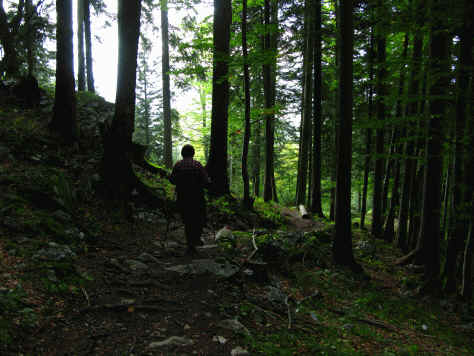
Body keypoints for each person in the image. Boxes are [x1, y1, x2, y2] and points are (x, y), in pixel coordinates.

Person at [169, 144, 210, 255]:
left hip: (183, 198)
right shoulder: (198, 165)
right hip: (198, 198)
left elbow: (172, 180)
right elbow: (206, 182)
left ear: (182, 153)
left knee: (187, 221)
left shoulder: (178, 165)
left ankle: (190, 244)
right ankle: (195, 240)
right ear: (193, 153)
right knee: (199, 219)